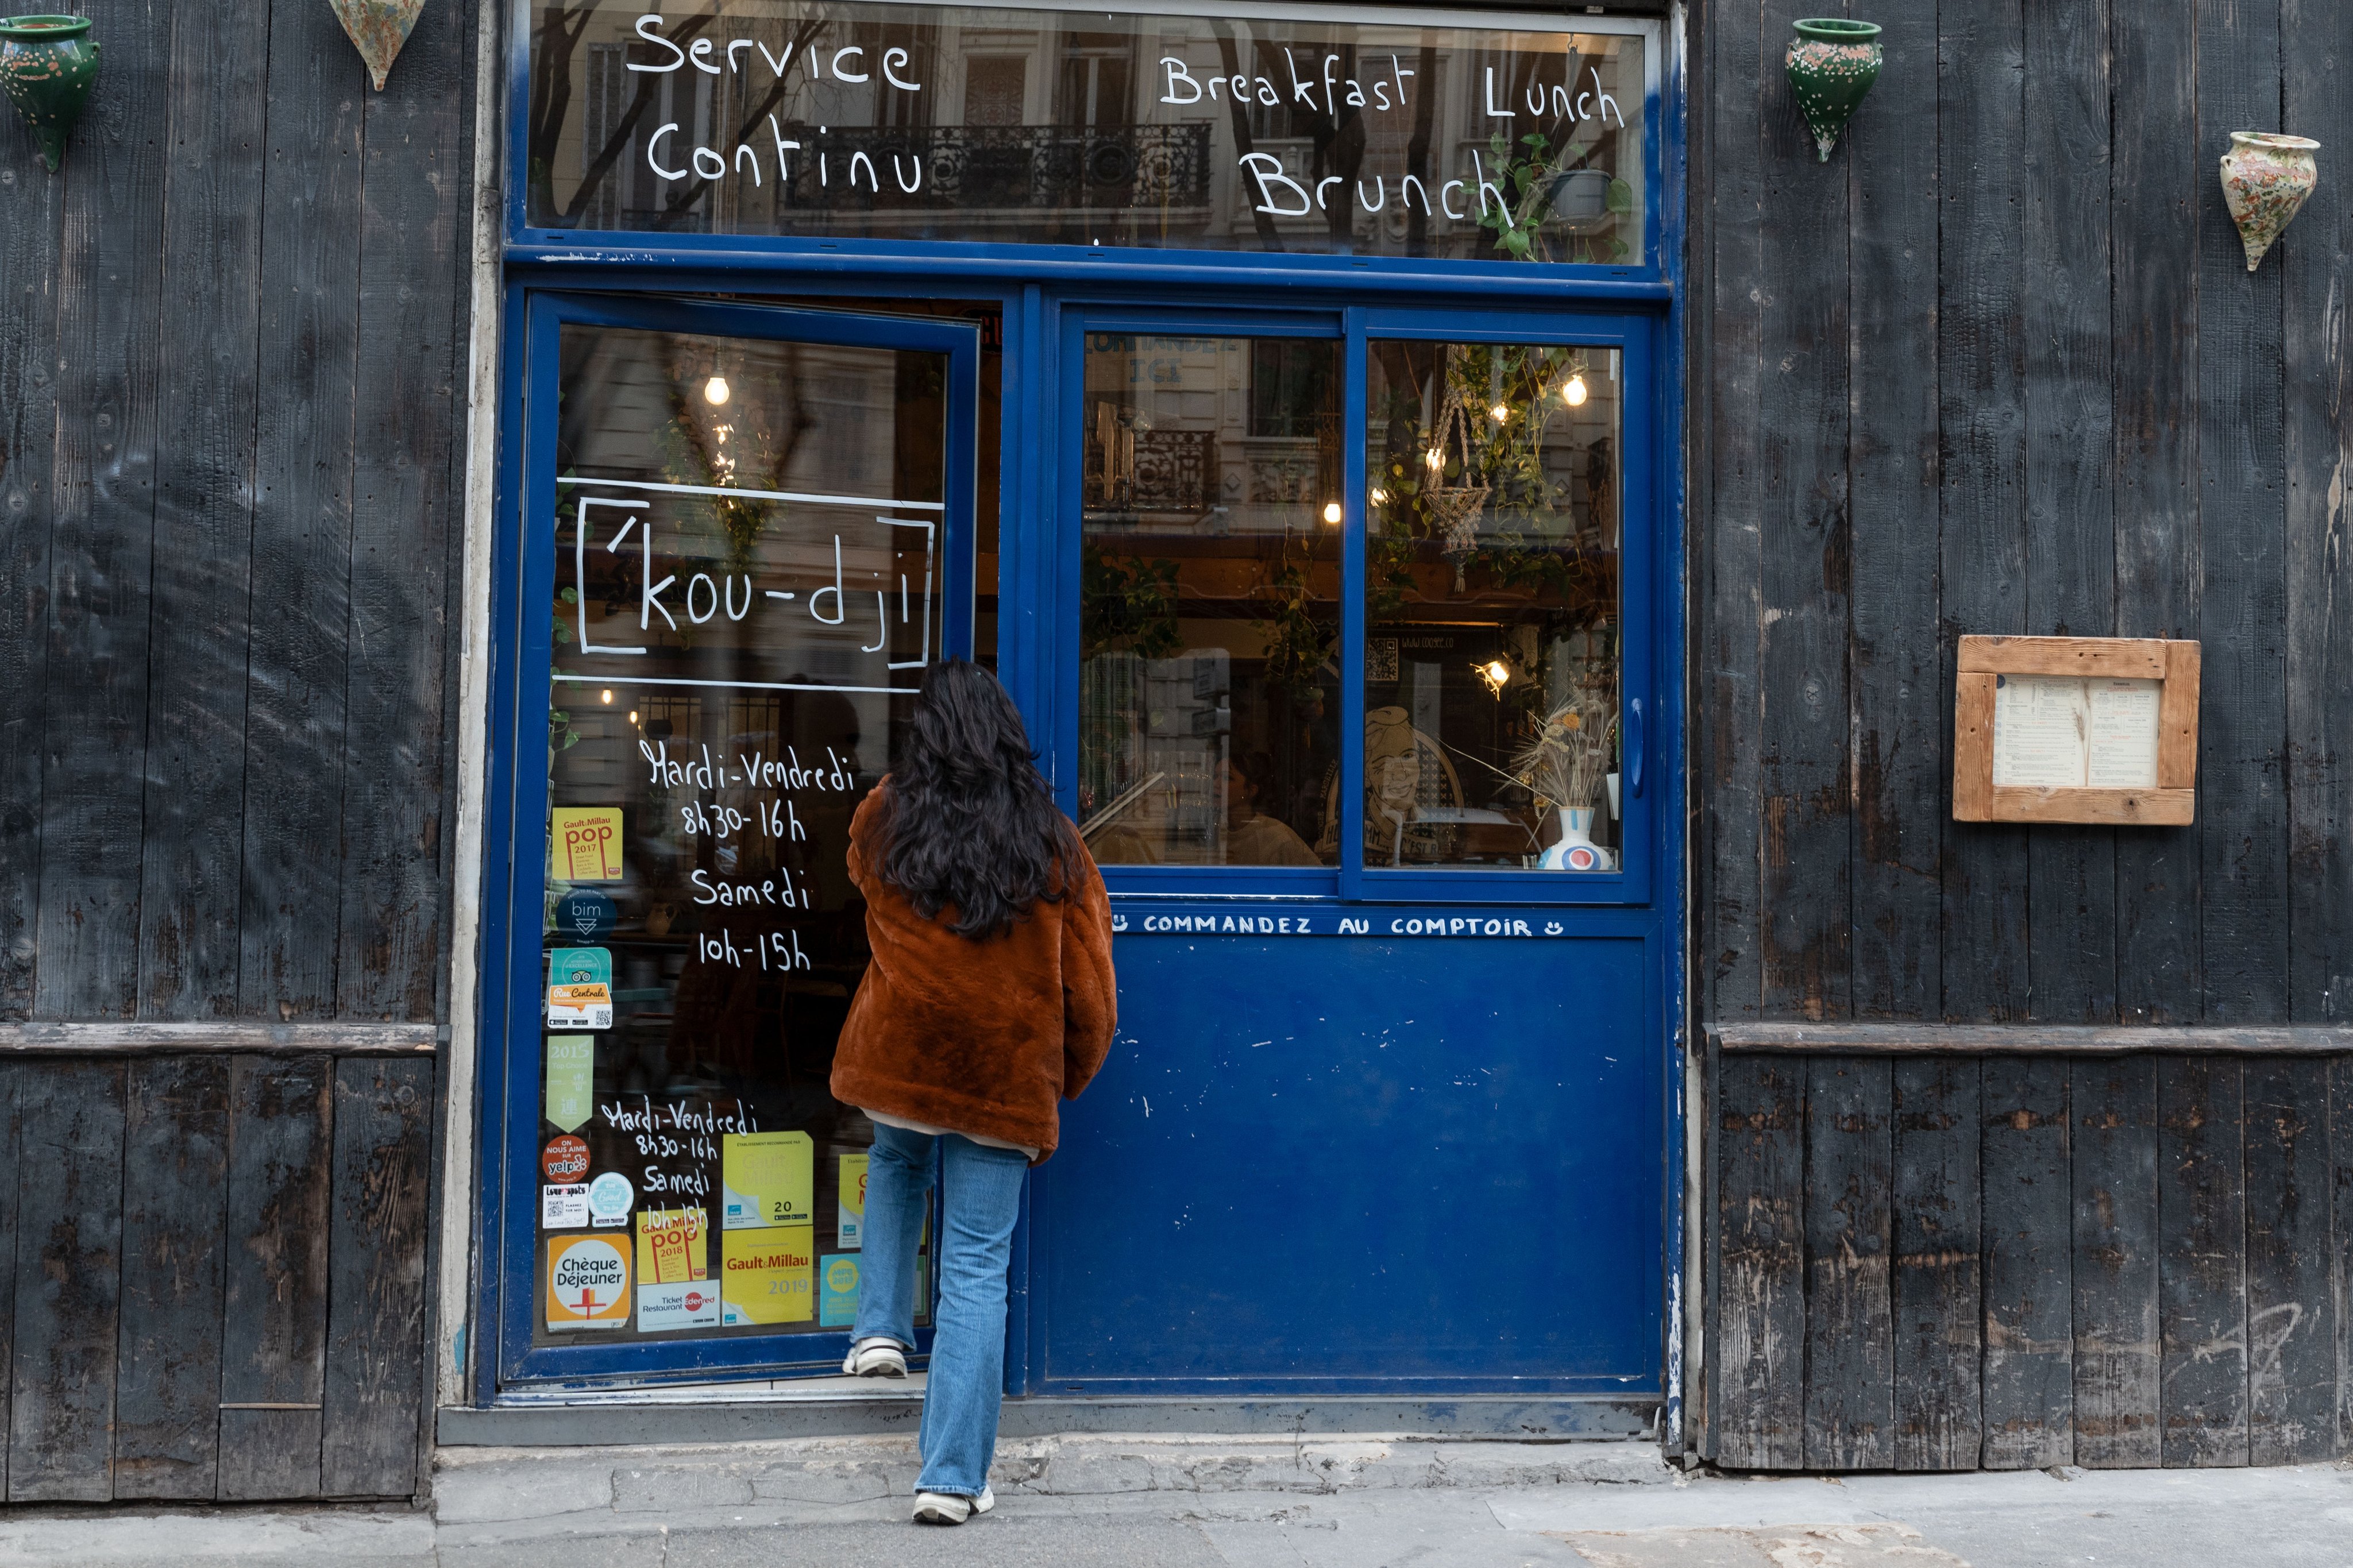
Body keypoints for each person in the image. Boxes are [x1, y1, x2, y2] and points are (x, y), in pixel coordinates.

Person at [829, 661, 1118, 1525]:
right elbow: (1091, 987)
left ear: (924, 737)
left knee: (895, 1154)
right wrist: (1067, 1073)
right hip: (998, 1079)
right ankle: (951, 1478)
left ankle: (878, 1326)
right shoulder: (1054, 840)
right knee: (974, 1270)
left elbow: (859, 877)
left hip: (903, 1061)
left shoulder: (885, 817)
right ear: (1006, 733)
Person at [1222, 750, 1322, 866]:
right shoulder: (1211, 832)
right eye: (1215, 777)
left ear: (1252, 790)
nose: (1216, 783)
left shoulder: (1278, 838)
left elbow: (1315, 879)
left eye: (1227, 778)